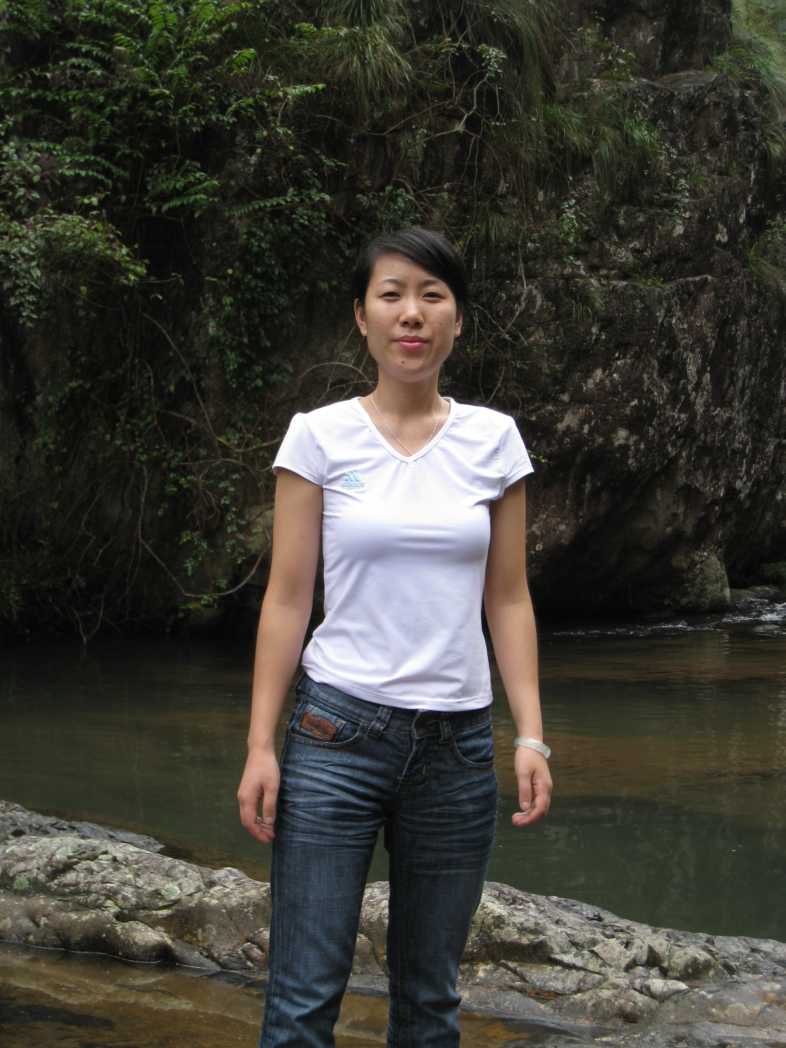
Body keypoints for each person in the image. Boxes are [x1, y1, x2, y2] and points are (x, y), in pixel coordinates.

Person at [237, 226, 552, 1047]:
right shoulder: (318, 436)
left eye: (432, 296)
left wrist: (531, 736)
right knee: (302, 999)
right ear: (362, 317)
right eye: (392, 296)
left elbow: (509, 599)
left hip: (457, 750)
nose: (412, 314)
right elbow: (287, 599)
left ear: (457, 320)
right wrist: (261, 746)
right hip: (334, 735)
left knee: (430, 1002)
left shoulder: (494, 440)